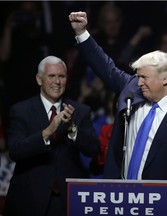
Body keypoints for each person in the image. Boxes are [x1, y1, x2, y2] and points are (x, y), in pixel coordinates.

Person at [69, 11, 167, 216]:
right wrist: (82, 33)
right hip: (123, 203)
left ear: (165, 79)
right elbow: (104, 66)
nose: (139, 81)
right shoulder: (132, 87)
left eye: (144, 77)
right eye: (138, 76)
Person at [3, 56, 100, 216]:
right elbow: (15, 151)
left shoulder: (80, 111)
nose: (57, 81)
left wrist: (72, 129)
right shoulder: (21, 111)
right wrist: (47, 132)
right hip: (29, 199)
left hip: (67, 200)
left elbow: (93, 149)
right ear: (39, 79)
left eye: (61, 76)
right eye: (52, 76)